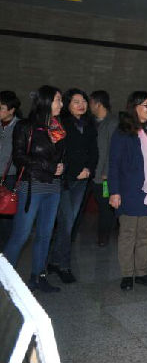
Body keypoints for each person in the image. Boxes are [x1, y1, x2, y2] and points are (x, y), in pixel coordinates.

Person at [3, 86, 66, 293]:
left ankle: (38, 277)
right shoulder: (25, 126)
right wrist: (49, 166)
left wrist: (62, 167)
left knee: (45, 235)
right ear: (46, 101)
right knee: (21, 235)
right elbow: (19, 157)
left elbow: (59, 156)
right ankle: (4, 281)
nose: (61, 104)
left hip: (53, 187)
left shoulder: (58, 127)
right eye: (58, 100)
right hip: (31, 187)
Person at [108, 91, 147, 291]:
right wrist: (114, 192)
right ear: (134, 107)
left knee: (145, 234)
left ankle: (142, 273)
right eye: (146, 105)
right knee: (128, 234)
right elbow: (114, 164)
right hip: (130, 191)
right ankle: (127, 274)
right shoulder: (123, 132)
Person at [47, 88, 97, 284]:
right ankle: (64, 266)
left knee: (68, 222)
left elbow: (94, 151)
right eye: (76, 101)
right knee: (67, 223)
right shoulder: (61, 124)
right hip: (64, 180)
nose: (81, 104)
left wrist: (88, 169)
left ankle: (53, 260)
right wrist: (76, 170)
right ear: (67, 105)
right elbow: (60, 152)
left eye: (83, 101)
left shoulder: (89, 125)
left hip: (82, 179)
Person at [89, 90, 116, 246]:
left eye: (91, 103)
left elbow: (113, 150)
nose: (89, 106)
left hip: (103, 175)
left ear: (98, 104)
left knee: (105, 206)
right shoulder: (90, 121)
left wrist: (107, 171)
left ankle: (103, 237)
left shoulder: (112, 123)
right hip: (89, 172)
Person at [0, 90, 21, 248]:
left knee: (6, 214)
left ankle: (6, 248)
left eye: (1, 108)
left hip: (9, 176)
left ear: (11, 110)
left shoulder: (20, 127)